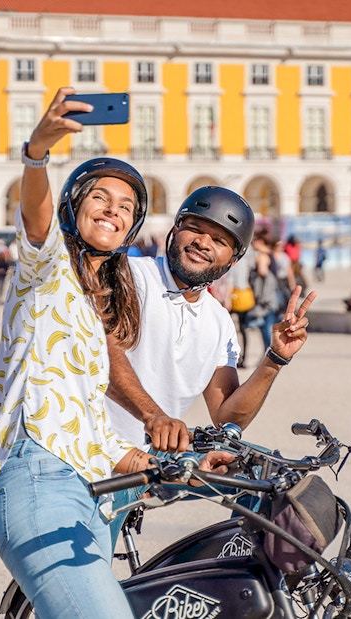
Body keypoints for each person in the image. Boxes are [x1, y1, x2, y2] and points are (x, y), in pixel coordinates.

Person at [0, 87, 233, 619]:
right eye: (100, 198)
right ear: (76, 203)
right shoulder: (46, 272)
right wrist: (37, 153)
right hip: (36, 479)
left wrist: (185, 462)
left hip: (90, 491)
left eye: (126, 206)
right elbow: (37, 216)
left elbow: (90, 433)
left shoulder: (97, 318)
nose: (113, 211)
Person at [105, 186, 316, 544]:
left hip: (160, 456)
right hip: (103, 456)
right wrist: (155, 416)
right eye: (196, 228)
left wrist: (275, 358)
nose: (204, 242)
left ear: (232, 260)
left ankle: (237, 582)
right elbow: (102, 357)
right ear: (174, 231)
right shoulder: (128, 276)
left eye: (220, 239)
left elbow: (227, 416)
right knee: (91, 582)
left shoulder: (218, 320)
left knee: (265, 476)